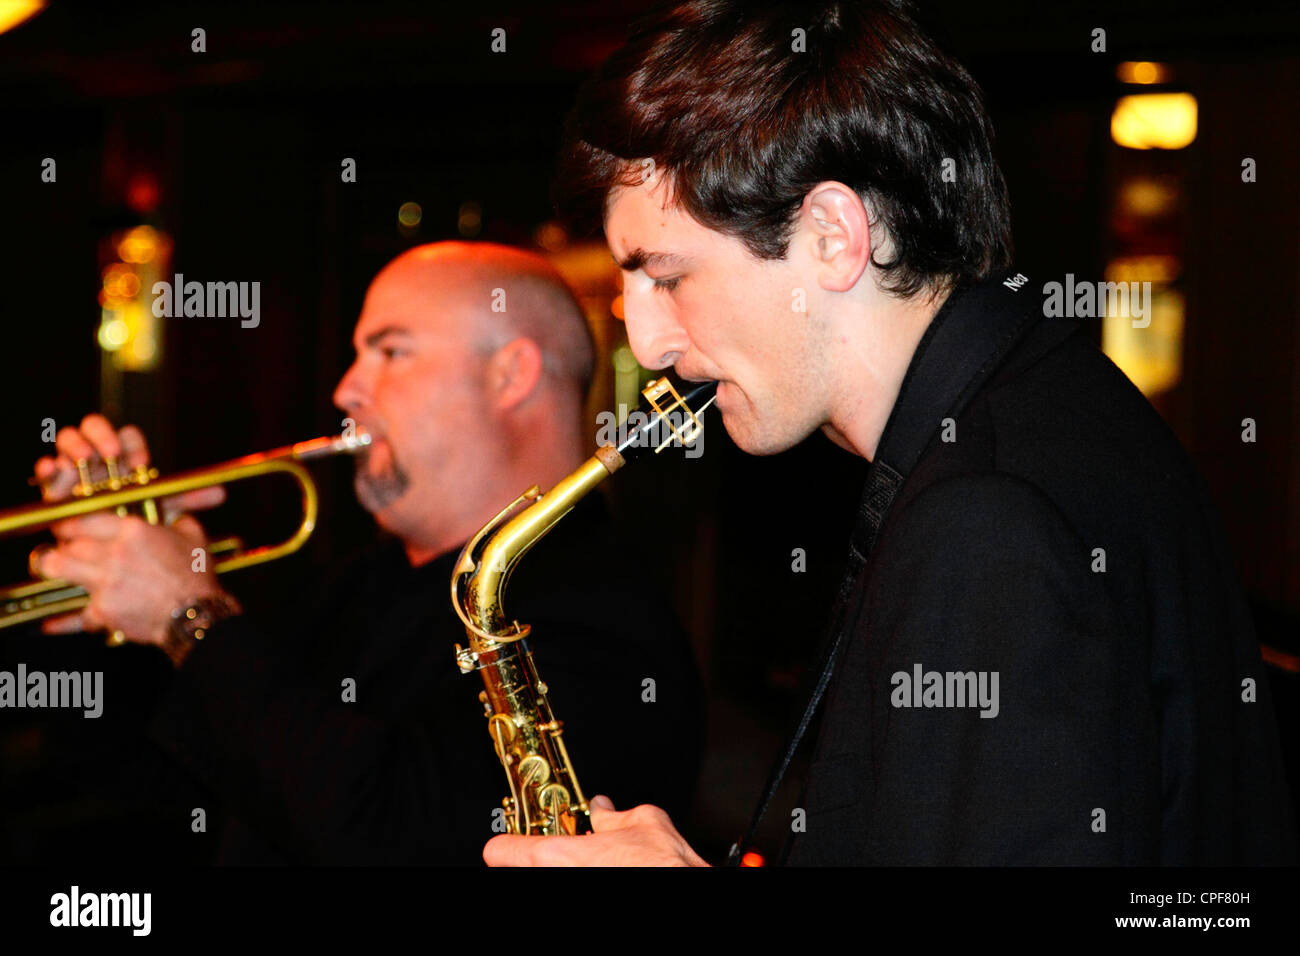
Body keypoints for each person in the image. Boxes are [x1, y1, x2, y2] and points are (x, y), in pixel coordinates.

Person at [484, 0, 1296, 866]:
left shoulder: (987, 521)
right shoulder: (1042, 409)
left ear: (833, 236)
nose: (647, 343)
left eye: (667, 276)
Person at [34, 241, 703, 864]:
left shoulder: (607, 624)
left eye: (390, 352)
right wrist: (102, 569)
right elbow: (139, 774)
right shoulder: (359, 580)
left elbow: (387, 830)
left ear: (511, 374)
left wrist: (190, 614)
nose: (346, 390)